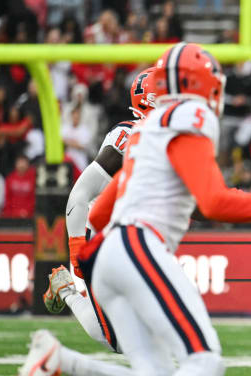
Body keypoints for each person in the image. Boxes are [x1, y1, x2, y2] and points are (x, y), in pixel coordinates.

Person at [15, 42, 251, 376]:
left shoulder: (145, 132)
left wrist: (92, 259)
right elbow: (213, 203)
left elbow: (105, 208)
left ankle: (61, 359)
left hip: (112, 253)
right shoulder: (189, 120)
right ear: (190, 85)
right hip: (138, 248)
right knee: (205, 362)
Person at [40, 67, 158, 353]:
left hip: (130, 238)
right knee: (123, 339)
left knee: (126, 333)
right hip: (99, 238)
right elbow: (79, 195)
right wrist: (77, 248)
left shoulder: (163, 143)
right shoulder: (127, 137)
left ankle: (64, 288)